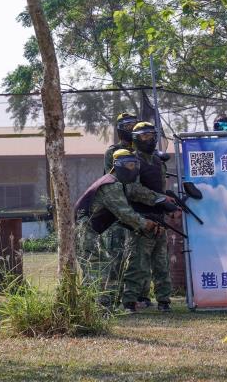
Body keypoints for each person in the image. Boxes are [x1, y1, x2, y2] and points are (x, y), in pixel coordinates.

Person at [74, 149, 166, 311]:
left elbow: (125, 212)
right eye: (128, 165)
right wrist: (146, 224)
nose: (132, 169)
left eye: (134, 165)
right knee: (98, 266)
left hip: (90, 231)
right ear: (117, 166)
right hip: (85, 230)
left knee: (100, 265)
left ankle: (95, 307)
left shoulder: (118, 184)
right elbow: (124, 213)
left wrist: (147, 220)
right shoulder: (111, 185)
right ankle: (99, 308)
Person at [122, 122, 173, 313]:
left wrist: (168, 200)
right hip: (140, 219)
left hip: (159, 218)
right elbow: (133, 190)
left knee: (161, 263)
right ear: (135, 139)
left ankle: (164, 301)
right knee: (138, 264)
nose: (150, 140)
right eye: (145, 136)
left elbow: (159, 188)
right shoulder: (132, 161)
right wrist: (159, 199)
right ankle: (129, 302)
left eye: (152, 136)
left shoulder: (158, 161)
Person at [102, 112, 142, 308]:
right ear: (119, 129)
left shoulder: (141, 150)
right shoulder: (114, 152)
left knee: (136, 257)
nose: (130, 129)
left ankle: (135, 297)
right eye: (126, 126)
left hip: (138, 208)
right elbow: (120, 181)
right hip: (118, 210)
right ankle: (111, 299)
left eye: (133, 125)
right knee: (116, 256)